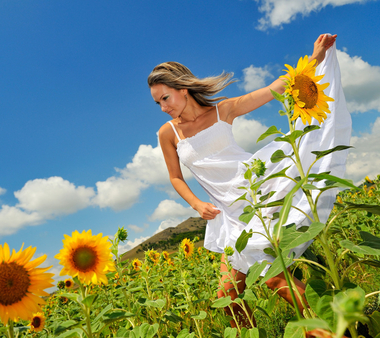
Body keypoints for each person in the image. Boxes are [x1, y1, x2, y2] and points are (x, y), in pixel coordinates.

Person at [148, 34, 351, 328]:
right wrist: (196, 204)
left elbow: (275, 89)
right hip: (226, 214)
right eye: (157, 103)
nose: (163, 107)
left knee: (273, 276)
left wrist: (315, 57)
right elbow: (175, 177)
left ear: (183, 89)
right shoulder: (168, 133)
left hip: (259, 194)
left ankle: (335, 331)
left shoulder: (223, 110)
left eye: (165, 98)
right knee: (229, 298)